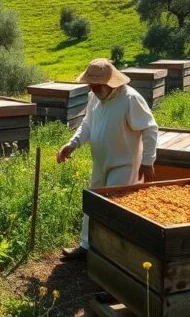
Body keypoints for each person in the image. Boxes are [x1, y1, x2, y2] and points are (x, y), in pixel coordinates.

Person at [56, 58, 158, 261]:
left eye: (96, 85)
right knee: (92, 201)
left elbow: (150, 128)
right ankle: (85, 246)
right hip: (101, 163)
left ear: (110, 82)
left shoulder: (130, 99)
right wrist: (72, 144)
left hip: (124, 165)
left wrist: (148, 161)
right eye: (90, 85)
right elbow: (87, 124)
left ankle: (112, 256)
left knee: (114, 209)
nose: (92, 89)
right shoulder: (94, 98)